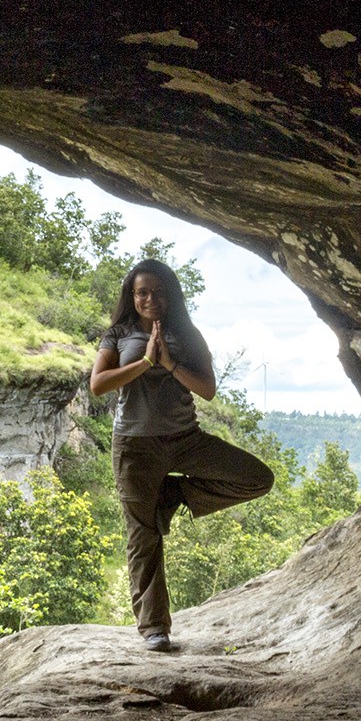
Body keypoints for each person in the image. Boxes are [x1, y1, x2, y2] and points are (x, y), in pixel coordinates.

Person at [89, 259, 273, 652]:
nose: (150, 299)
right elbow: (98, 385)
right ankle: (154, 628)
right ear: (132, 296)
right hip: (135, 446)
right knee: (143, 535)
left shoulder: (187, 334)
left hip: (185, 439)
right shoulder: (117, 334)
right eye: (142, 292)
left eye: (157, 291)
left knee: (257, 478)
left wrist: (170, 364)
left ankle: (172, 496)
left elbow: (206, 389)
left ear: (169, 294)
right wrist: (145, 363)